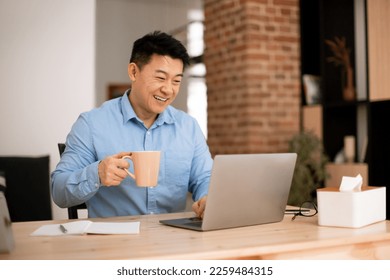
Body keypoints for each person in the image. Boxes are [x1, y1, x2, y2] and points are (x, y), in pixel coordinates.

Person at [51, 31, 212, 218]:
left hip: (173, 238)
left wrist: (207, 197)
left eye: (176, 81)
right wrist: (97, 174)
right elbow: (59, 191)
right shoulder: (91, 124)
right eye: (160, 78)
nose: (168, 89)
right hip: (112, 241)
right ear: (134, 72)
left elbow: (205, 178)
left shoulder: (188, 127)